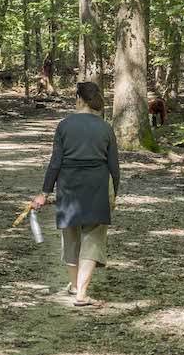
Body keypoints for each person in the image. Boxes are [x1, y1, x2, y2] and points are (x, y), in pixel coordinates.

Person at [34, 81, 120, 307]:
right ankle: (81, 291)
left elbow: (55, 163)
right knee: (93, 239)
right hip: (98, 186)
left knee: (70, 238)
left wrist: (44, 191)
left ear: (79, 99)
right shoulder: (105, 128)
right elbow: (114, 167)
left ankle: (75, 286)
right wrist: (114, 194)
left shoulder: (64, 125)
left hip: (69, 187)